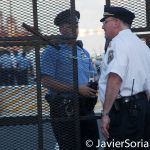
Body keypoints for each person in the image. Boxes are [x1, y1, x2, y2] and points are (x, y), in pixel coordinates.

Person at [41, 9, 99, 150]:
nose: (74, 29)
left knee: (91, 145)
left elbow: (92, 75)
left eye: (76, 25)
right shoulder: (53, 50)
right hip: (64, 109)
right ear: (61, 29)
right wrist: (77, 88)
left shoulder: (83, 52)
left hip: (86, 108)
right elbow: (45, 81)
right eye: (69, 26)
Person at [99, 6, 150, 149]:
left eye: (105, 22)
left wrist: (106, 113)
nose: (103, 26)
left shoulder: (118, 42)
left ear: (116, 22)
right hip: (143, 108)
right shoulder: (142, 46)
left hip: (125, 112)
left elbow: (115, 78)